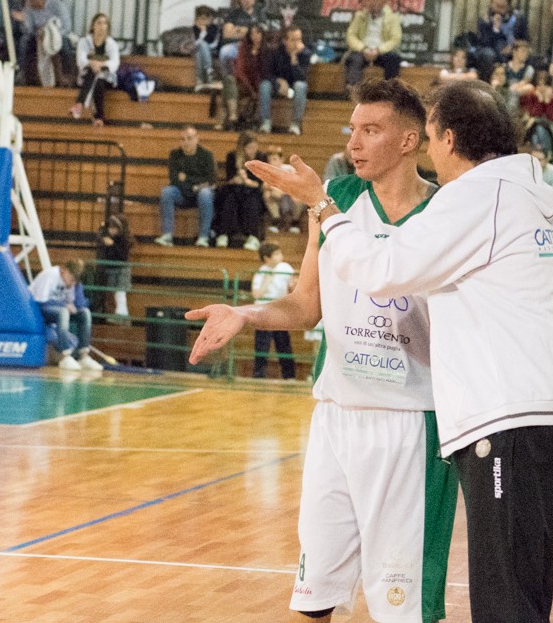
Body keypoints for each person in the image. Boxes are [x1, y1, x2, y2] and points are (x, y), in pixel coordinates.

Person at [250, 79, 553, 623]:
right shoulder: (534, 202)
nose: (429, 150)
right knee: (522, 583)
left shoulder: (474, 197)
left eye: (429, 137)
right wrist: (545, 360)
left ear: (448, 139)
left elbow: (381, 269)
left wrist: (322, 207)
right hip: (551, 415)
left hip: (503, 418)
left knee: (503, 598)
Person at [187, 78, 459, 623]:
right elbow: (304, 305)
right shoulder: (339, 201)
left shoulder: (447, 212)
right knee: (314, 598)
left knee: (405, 610)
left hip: (413, 424)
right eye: (352, 129)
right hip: (335, 417)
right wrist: (245, 314)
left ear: (409, 141)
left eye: (371, 130)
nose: (353, 143)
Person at [29, 259, 99, 371]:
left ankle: (83, 356)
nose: (72, 283)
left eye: (75, 281)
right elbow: (40, 301)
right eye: (71, 279)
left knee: (85, 313)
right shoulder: (50, 275)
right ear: (64, 271)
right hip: (38, 310)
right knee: (63, 311)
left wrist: (77, 288)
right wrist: (64, 305)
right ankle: (65, 355)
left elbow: (79, 305)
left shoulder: (73, 284)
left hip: (59, 311)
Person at [154, 127, 215, 248]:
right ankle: (167, 235)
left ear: (197, 139)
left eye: (189, 138)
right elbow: (174, 179)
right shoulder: (174, 155)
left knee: (205, 193)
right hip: (182, 193)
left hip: (199, 194)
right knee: (167, 192)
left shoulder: (206, 155)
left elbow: (210, 180)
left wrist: (186, 179)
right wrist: (194, 185)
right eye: (182, 139)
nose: (186, 142)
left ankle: (203, 236)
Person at [250, 241, 297, 379]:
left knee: (283, 343)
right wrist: (267, 280)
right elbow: (256, 294)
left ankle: (289, 376)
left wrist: (293, 284)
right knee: (262, 344)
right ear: (267, 258)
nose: (280, 256)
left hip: (279, 312)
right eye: (276, 254)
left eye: (279, 253)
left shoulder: (285, 267)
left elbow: (293, 284)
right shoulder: (261, 272)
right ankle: (258, 374)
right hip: (263, 312)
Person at [12, 0, 73, 86]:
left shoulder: (57, 5)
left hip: (57, 37)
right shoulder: (28, 10)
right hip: (38, 37)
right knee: (24, 41)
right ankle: (21, 73)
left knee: (65, 44)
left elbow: (67, 27)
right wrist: (24, 21)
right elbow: (29, 31)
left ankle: (66, 77)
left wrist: (51, 36)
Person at [343, 0, 402, 93]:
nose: (372, 1)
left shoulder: (393, 17)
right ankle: (354, 93)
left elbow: (395, 39)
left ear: (384, 0)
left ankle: (390, 93)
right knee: (353, 59)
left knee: (393, 59)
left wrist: (378, 50)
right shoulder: (360, 16)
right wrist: (363, 48)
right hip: (363, 50)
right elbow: (351, 35)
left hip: (382, 51)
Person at [213, 131, 266, 251]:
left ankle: (253, 236)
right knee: (229, 199)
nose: (253, 150)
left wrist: (246, 180)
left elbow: (260, 182)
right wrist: (237, 179)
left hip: (253, 190)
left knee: (252, 201)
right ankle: (223, 234)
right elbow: (229, 178)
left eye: (255, 147)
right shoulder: (232, 156)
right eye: (250, 148)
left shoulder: (261, 157)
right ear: (243, 148)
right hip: (236, 188)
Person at [70, 13, 123, 126]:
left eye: (105, 23)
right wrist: (91, 63)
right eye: (99, 23)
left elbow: (115, 62)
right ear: (93, 25)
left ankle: (79, 103)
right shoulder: (84, 42)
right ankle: (99, 118)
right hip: (87, 76)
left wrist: (101, 65)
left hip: (107, 77)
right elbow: (80, 60)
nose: (101, 26)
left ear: (108, 27)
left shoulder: (112, 44)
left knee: (98, 79)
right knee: (94, 75)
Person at [454, 0, 529, 69]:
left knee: (527, 56)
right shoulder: (484, 20)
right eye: (496, 5)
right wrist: (495, 29)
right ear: (491, 4)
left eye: (502, 7)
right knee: (488, 54)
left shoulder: (518, 19)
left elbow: (525, 39)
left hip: (512, 48)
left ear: (508, 7)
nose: (498, 9)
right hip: (491, 48)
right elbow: (484, 42)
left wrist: (513, 48)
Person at [259, 24, 310, 135]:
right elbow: (267, 73)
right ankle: (266, 122)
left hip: (294, 86)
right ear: (285, 41)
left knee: (301, 86)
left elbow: (302, 77)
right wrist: (279, 81)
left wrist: (294, 60)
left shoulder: (305, 53)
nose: (297, 43)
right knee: (264, 85)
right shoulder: (275, 52)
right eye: (293, 40)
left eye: (299, 39)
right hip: (278, 85)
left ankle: (295, 124)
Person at [96, 213, 133, 319]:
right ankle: (120, 315)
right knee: (114, 293)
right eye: (110, 228)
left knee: (120, 292)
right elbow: (99, 235)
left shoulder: (124, 240)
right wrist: (103, 227)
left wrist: (113, 245)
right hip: (111, 269)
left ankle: (121, 314)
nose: (111, 230)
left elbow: (123, 256)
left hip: (122, 269)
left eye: (114, 228)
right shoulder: (107, 237)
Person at [191, 5, 222, 92]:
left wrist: (204, 32)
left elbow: (212, 42)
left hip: (213, 49)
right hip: (200, 50)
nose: (202, 21)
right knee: (199, 50)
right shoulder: (195, 28)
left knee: (202, 45)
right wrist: (202, 32)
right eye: (199, 19)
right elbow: (195, 43)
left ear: (210, 19)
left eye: (204, 19)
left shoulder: (213, 27)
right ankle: (208, 73)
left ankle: (200, 78)